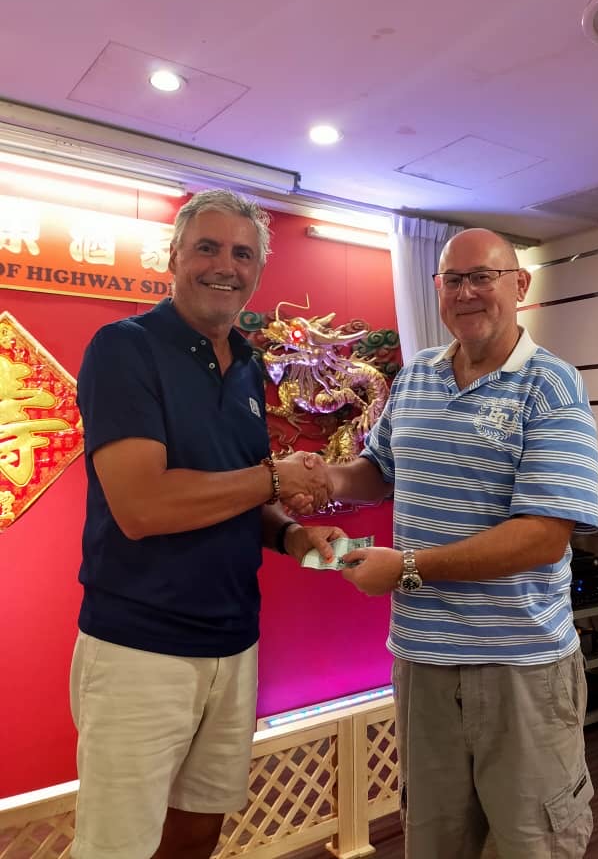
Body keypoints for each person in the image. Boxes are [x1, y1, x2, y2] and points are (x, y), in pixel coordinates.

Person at [70, 189, 340, 859]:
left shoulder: (247, 365)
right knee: (116, 848)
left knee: (199, 828)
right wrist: (275, 479)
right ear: (174, 257)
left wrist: (291, 536)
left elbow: (239, 493)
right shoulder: (124, 349)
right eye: (208, 248)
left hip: (234, 642)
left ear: (258, 271)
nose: (225, 265)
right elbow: (142, 507)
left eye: (242, 254)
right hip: (139, 647)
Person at [328, 227, 598, 859]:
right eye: (453, 279)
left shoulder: (552, 386)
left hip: (520, 667)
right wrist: (324, 480)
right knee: (435, 841)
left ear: (519, 285)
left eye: (483, 276)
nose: (466, 292)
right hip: (422, 662)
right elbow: (378, 470)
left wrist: (408, 569)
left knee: (532, 843)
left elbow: (542, 537)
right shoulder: (415, 375)